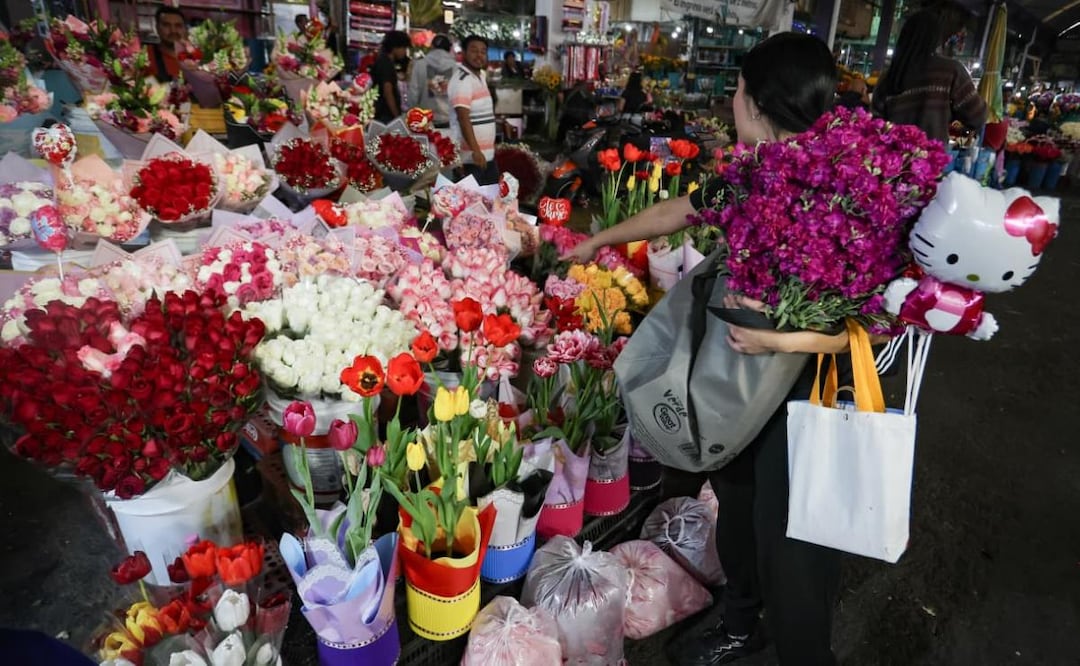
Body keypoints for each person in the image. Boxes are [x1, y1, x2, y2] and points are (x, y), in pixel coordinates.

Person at [565, 32, 855, 666]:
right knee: (739, 506)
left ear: (750, 98)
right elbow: (682, 211)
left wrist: (775, 338)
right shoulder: (754, 178)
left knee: (793, 546)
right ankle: (741, 619)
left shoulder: (837, 195)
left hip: (804, 398)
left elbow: (853, 330)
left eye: (737, 88)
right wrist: (599, 240)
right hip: (737, 383)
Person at [871, 9, 987, 143]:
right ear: (936, 39)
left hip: (891, 160)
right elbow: (978, 116)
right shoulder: (951, 71)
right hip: (931, 159)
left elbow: (876, 125)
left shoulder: (888, 77)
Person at [449, 34, 499, 185]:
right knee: (471, 203)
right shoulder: (462, 80)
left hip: (485, 156)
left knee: (491, 200)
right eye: (474, 50)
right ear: (463, 53)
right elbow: (463, 119)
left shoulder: (480, 76)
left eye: (483, 51)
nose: (479, 55)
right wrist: (475, 150)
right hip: (471, 158)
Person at [408, 35, 455, 128]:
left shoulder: (419, 65)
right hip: (450, 121)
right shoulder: (457, 68)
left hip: (426, 121)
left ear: (432, 47)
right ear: (449, 48)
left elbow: (413, 94)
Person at [372, 31, 411, 123]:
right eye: (404, 48)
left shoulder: (383, 60)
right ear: (394, 47)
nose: (405, 52)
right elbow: (388, 92)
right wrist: (397, 117)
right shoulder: (386, 64)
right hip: (385, 115)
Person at [147, 6, 186, 82]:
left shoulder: (196, 57)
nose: (173, 30)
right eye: (166, 25)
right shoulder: (145, 56)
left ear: (184, 29)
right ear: (157, 28)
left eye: (178, 25)